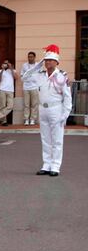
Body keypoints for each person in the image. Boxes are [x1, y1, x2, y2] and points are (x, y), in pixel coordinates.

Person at [22, 44, 72, 176]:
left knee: (57, 139)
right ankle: (46, 164)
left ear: (56, 61)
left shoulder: (62, 76)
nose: (47, 62)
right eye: (46, 60)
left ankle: (55, 166)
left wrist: (65, 115)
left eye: (50, 60)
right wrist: (37, 66)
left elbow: (67, 98)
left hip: (56, 109)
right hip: (42, 109)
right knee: (45, 139)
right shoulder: (40, 74)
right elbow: (24, 78)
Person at [21, 51, 41, 125]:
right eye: (29, 57)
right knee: (26, 104)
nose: (30, 58)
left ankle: (33, 119)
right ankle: (26, 119)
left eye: (31, 57)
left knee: (34, 104)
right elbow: (22, 75)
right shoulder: (24, 65)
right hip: (26, 87)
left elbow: (41, 75)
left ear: (34, 57)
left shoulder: (38, 65)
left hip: (35, 87)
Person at [0, 59, 17, 126]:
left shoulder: (13, 71)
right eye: (5, 63)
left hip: (10, 90)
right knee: (2, 106)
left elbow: (16, 77)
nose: (6, 64)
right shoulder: (0, 71)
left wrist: (11, 68)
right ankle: (3, 121)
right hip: (2, 90)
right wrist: (2, 70)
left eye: (7, 63)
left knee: (10, 106)